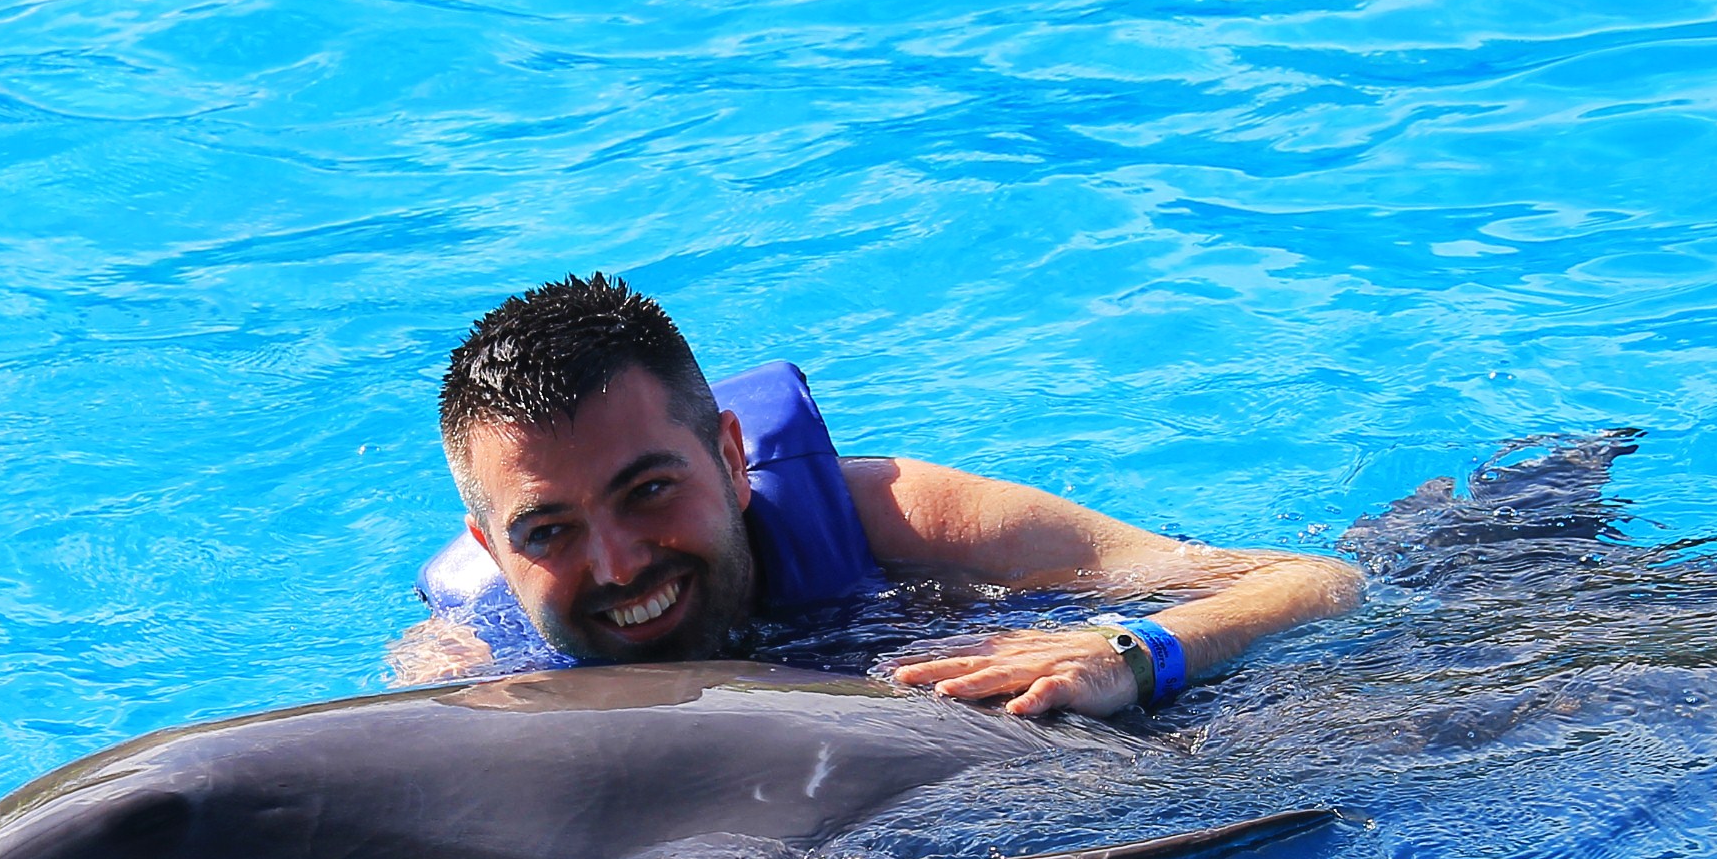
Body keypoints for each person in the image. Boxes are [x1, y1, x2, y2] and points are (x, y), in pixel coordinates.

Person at [393, 274, 1362, 716]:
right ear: (490, 545)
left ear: (731, 456)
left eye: (648, 489)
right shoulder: (467, 663)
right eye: (548, 530)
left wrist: (1130, 652)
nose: (616, 564)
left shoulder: (903, 522)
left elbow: (1314, 580)